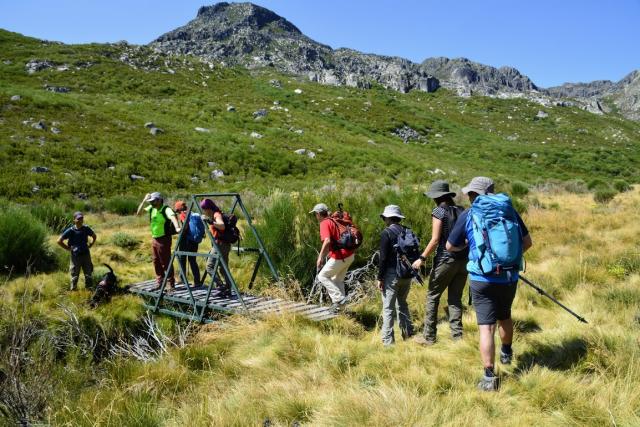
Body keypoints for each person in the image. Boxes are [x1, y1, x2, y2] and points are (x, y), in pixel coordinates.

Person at [446, 177, 533, 391]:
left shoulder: (469, 214)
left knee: (486, 327)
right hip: (509, 277)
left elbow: (450, 246)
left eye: (470, 193)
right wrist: (508, 262)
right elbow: (527, 242)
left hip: (482, 278)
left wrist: (471, 250)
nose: (469, 197)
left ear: (475, 194)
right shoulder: (508, 211)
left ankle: (488, 378)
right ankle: (506, 352)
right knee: (505, 316)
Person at [412, 180, 468, 345]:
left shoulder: (438, 211)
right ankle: (458, 338)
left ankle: (429, 337)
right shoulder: (462, 210)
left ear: (436, 196)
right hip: (463, 260)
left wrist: (422, 258)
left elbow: (435, 239)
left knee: (432, 296)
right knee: (455, 298)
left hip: (446, 259)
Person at [377, 205, 414, 346]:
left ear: (388, 218)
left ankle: (388, 342)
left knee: (388, 308)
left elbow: (383, 258)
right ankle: (408, 333)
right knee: (402, 304)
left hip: (392, 275)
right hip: (407, 273)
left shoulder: (386, 233)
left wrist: (380, 278)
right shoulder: (407, 231)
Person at [310, 203, 355, 312]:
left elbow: (327, 241)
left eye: (315, 214)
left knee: (322, 276)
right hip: (350, 255)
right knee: (337, 280)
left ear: (319, 214)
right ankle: (342, 309)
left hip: (341, 256)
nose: (315, 216)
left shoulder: (324, 223)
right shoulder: (334, 220)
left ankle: (339, 300)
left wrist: (320, 257)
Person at [136, 192, 180, 291]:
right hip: (155, 238)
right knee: (156, 261)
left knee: (165, 261)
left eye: (153, 201)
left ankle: (170, 284)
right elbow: (138, 214)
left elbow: (172, 216)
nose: (151, 203)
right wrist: (144, 201)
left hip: (164, 238)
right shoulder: (152, 208)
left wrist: (177, 227)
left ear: (159, 200)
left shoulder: (165, 209)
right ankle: (160, 282)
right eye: (150, 201)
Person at [200, 199, 233, 297]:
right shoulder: (214, 214)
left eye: (204, 209)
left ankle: (220, 286)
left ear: (208, 208)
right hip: (223, 245)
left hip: (220, 245)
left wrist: (210, 222)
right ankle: (227, 289)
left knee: (209, 266)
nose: (203, 211)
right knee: (223, 269)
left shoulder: (216, 215)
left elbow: (222, 226)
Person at [57, 211, 96, 291]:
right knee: (74, 275)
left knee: (88, 273)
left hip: (86, 254)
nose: (80, 220)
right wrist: (68, 249)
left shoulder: (86, 228)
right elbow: (59, 241)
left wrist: (91, 244)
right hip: (75, 256)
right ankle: (73, 291)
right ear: (74, 220)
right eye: (78, 219)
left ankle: (89, 290)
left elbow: (94, 236)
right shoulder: (70, 230)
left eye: (82, 218)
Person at [174, 200, 202, 286]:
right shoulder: (192, 213)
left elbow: (185, 227)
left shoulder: (183, 214)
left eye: (177, 210)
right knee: (192, 260)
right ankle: (197, 281)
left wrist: (179, 231)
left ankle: (182, 279)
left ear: (179, 209)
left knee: (182, 259)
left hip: (186, 240)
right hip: (194, 240)